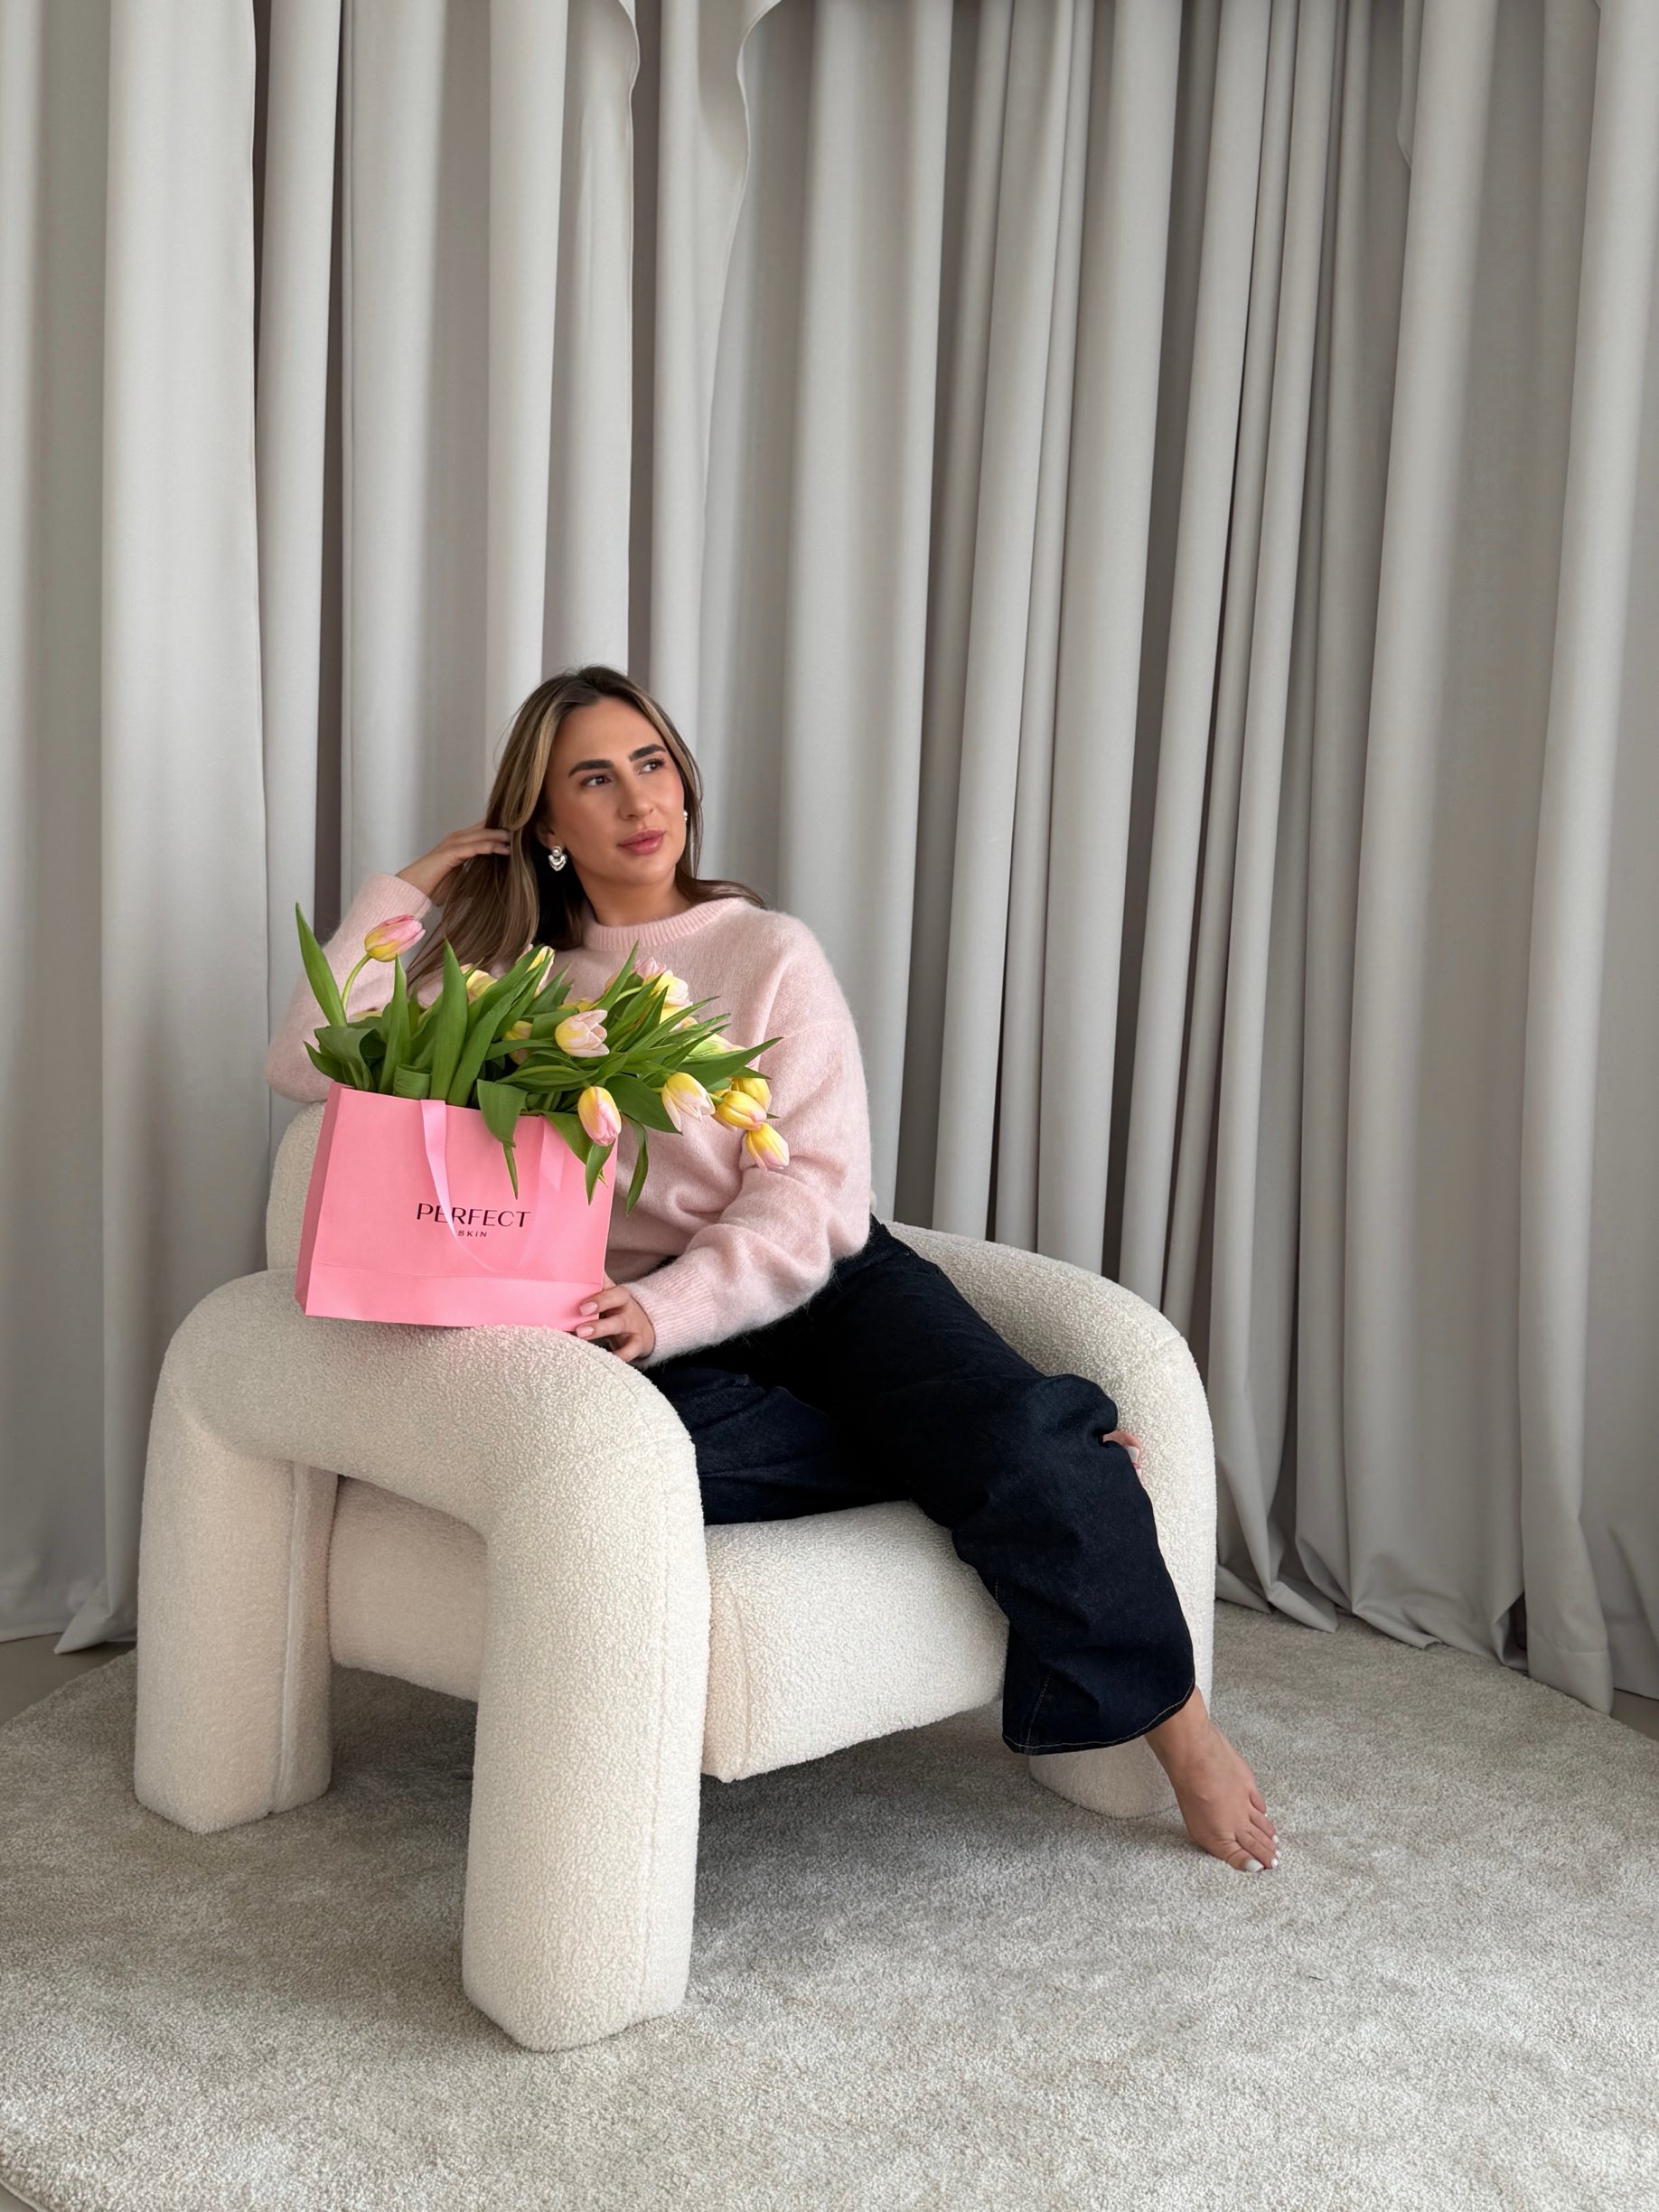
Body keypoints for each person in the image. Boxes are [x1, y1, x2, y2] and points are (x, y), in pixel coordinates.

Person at [268, 664, 1279, 1874]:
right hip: (633, 1327)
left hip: (821, 1281)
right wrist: (417, 887)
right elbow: (308, 1060)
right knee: (647, 1466)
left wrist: (674, 1303)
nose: (639, 799)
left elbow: (815, 1189)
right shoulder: (508, 983)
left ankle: (1181, 1729)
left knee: (1004, 1433)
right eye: (594, 777)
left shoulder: (766, 951)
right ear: (545, 822)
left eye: (652, 763)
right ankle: (1016, 1446)